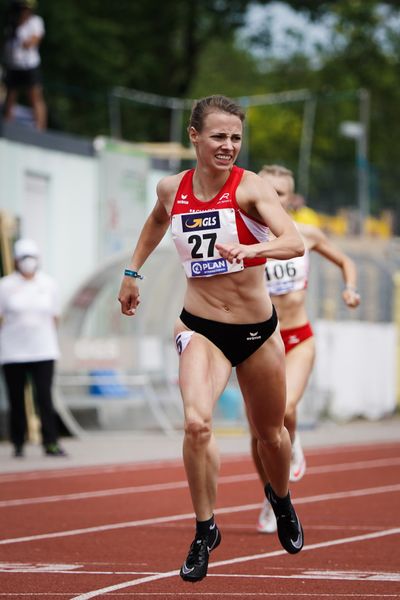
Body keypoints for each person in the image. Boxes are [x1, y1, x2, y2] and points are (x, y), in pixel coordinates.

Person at [118, 95, 305, 583]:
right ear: (194, 136)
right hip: (200, 326)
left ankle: (280, 499)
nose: (228, 146)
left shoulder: (252, 189)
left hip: (257, 331)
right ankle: (205, 529)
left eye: (236, 138)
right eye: (219, 136)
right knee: (197, 425)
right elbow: (157, 222)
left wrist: (248, 247)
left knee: (271, 435)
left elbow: (293, 241)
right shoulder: (171, 188)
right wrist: (132, 270)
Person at [253, 164, 360, 534]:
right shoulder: (245, 235)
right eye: (268, 190)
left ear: (291, 198)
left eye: (281, 193)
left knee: (285, 409)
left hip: (298, 337)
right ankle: (272, 499)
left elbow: (346, 260)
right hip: (259, 341)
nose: (274, 198)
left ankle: (294, 441)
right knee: (259, 432)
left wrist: (350, 288)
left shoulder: (307, 234)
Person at [0, 238, 66, 457]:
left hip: (43, 350)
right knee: (16, 399)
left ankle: (50, 442)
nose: (28, 262)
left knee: (44, 398)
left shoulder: (48, 284)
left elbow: (55, 317)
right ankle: (18, 443)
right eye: (23, 258)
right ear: (16, 260)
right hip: (13, 352)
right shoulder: (6, 286)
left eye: (31, 258)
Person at [1, 0, 47, 129]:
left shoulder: (35, 22)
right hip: (13, 65)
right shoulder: (11, 24)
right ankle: (7, 126)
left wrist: (21, 31)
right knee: (10, 97)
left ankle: (40, 129)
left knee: (35, 96)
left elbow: (32, 42)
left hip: (29, 66)